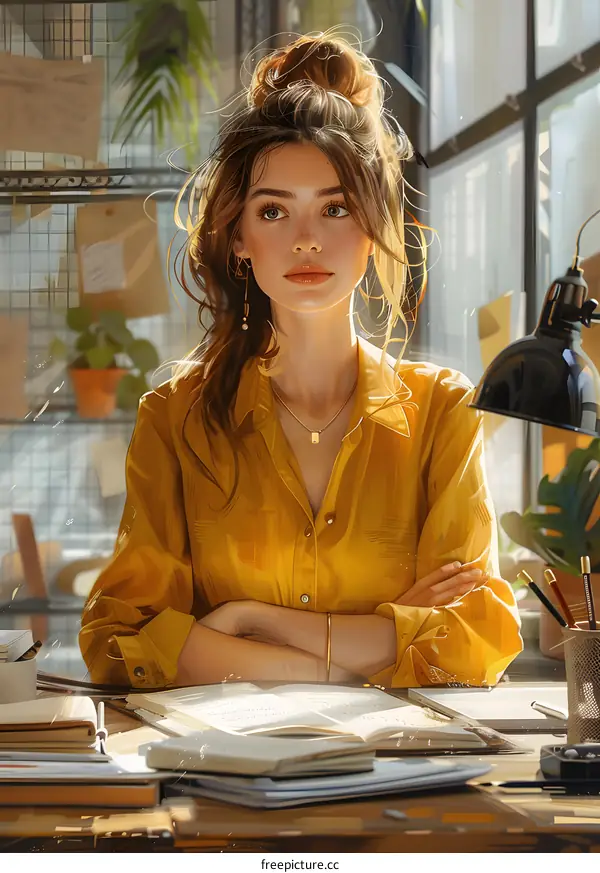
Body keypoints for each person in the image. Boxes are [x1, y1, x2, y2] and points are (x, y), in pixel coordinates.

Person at [79, 33, 523, 690]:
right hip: (223, 770)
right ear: (239, 240)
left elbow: (477, 635)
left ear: (371, 229)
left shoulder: (441, 412)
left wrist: (252, 620)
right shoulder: (174, 420)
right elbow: (119, 635)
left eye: (335, 206)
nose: (307, 238)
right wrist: (363, 650)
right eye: (273, 210)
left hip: (403, 770)